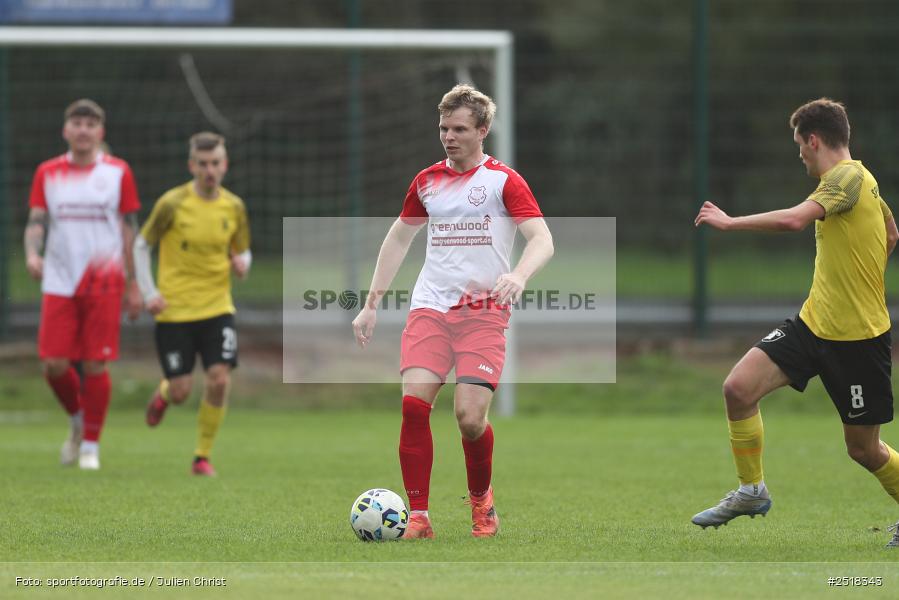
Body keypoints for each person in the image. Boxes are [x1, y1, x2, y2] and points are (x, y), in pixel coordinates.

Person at [693, 98, 899, 547]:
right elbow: (891, 233)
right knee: (738, 388)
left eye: (799, 146)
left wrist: (728, 224)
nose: (799, 155)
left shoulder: (845, 177)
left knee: (864, 449)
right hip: (812, 325)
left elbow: (793, 221)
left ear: (814, 140)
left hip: (859, 340)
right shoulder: (864, 181)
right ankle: (752, 491)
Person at [352, 84, 554, 538]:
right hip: (430, 307)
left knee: (469, 418)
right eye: (444, 128)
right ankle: (418, 518)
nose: (449, 136)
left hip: (483, 314)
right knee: (411, 406)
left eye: (459, 128)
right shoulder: (426, 181)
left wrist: (519, 276)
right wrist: (370, 305)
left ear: (482, 130)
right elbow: (399, 238)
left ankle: (483, 503)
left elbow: (542, 240)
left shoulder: (504, 180)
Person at [23, 98, 142, 470]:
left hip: (104, 281)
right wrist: (31, 253)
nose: (84, 130)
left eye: (91, 124)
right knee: (54, 364)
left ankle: (90, 444)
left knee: (94, 365)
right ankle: (76, 419)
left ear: (100, 132)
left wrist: (135, 283)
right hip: (59, 280)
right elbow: (36, 220)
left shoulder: (118, 172)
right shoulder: (48, 172)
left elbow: (129, 229)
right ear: (66, 130)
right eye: (77, 123)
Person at [133, 132, 251, 477]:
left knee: (218, 380)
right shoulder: (172, 203)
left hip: (217, 307)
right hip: (175, 310)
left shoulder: (234, 206)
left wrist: (243, 263)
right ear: (191, 166)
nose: (209, 170)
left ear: (224, 165)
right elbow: (142, 245)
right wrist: (149, 291)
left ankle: (202, 456)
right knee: (183, 390)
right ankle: (166, 393)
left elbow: (242, 248)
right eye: (202, 164)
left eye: (215, 163)